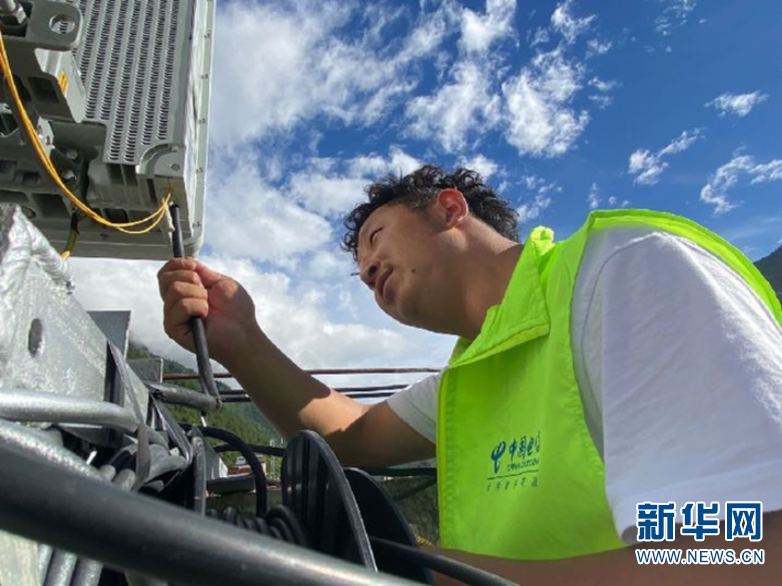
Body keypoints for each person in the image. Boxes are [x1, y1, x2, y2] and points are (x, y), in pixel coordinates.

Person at [158, 165, 782, 583]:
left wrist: (427, 574)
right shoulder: (472, 376)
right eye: (361, 273)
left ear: (449, 209)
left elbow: (747, 548)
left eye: (376, 237)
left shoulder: (622, 275)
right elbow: (351, 437)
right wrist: (241, 341)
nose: (368, 269)